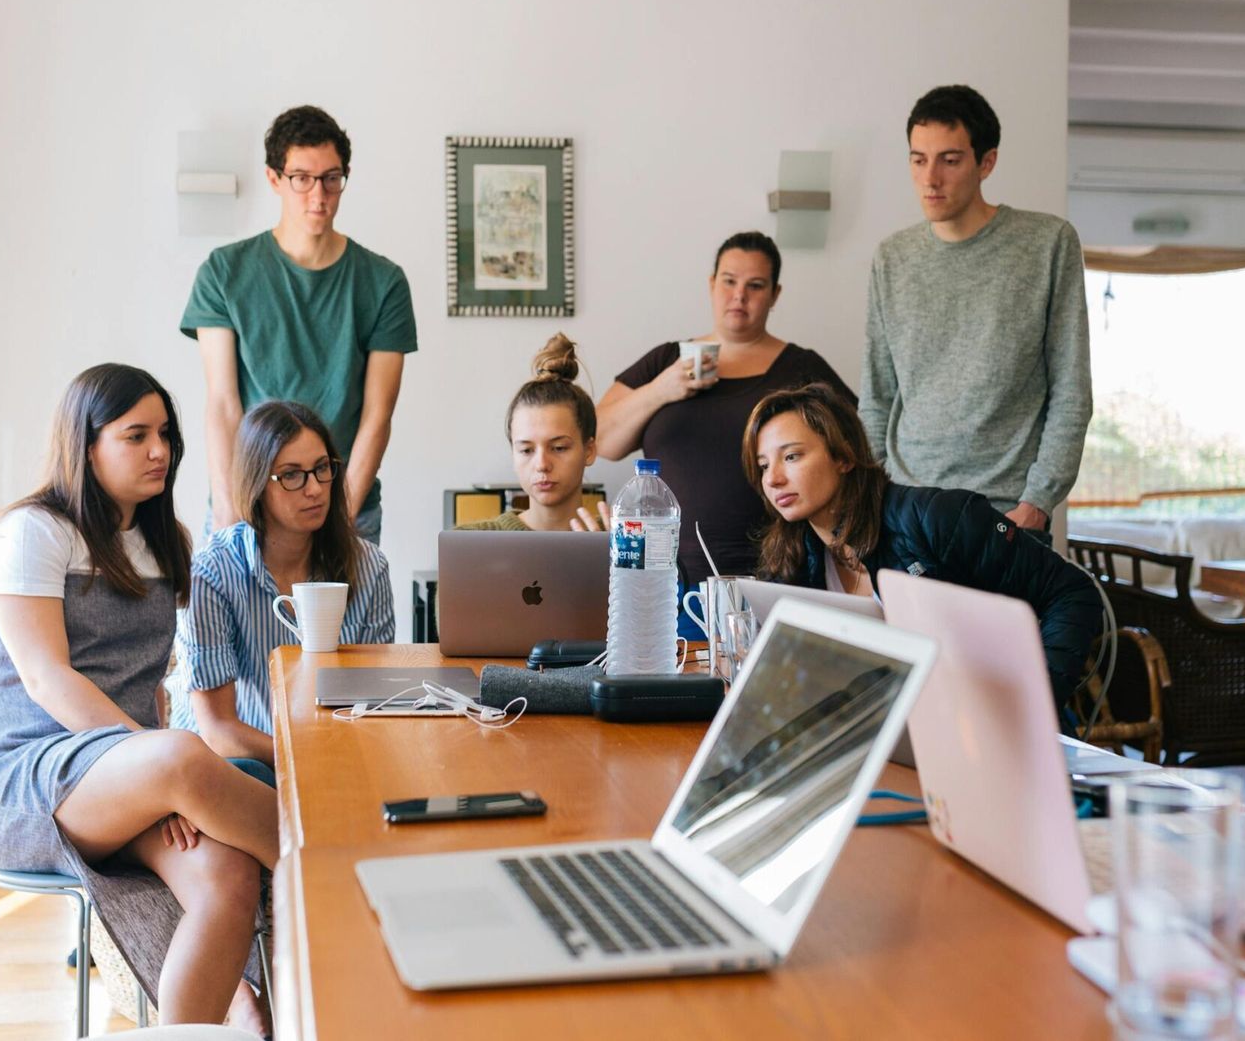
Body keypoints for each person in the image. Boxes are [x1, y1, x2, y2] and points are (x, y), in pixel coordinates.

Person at [0, 364, 273, 1030]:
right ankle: (344, 865)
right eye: (136, 435)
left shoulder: (165, 543)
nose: (160, 450)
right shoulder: (31, 532)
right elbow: (47, 678)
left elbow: (150, 681)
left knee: (229, 877)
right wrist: (159, 767)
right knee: (186, 755)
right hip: (22, 777)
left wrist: (157, 774)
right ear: (86, 442)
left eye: (165, 434)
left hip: (130, 775)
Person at [743, 383, 1103, 707]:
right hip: (892, 727)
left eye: (791, 457)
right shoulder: (791, 558)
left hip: (986, 721)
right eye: (763, 465)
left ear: (843, 456)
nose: (773, 479)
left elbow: (1072, 593)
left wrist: (1031, 701)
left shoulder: (938, 519)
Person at [182, 105, 418, 543]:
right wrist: (229, 513)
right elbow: (223, 404)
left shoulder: (384, 283)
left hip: (346, 505)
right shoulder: (224, 273)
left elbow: (377, 415)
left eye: (331, 178)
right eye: (302, 178)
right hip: (249, 505)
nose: (318, 195)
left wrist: (340, 519)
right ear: (274, 179)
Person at [862, 84, 1091, 535]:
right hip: (906, 508)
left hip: (1007, 513)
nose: (930, 178)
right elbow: (877, 396)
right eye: (918, 159)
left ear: (986, 162)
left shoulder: (1047, 243)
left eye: (950, 160)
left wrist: (1038, 502)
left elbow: (1071, 389)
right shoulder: (892, 257)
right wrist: (875, 495)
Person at [598, 231, 854, 585]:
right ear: (711, 284)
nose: (739, 296)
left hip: (777, 574)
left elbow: (854, 453)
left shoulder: (801, 367)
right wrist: (660, 390)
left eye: (756, 285)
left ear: (775, 294)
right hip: (663, 581)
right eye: (729, 281)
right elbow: (601, 440)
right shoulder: (666, 360)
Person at [172, 400, 395, 777]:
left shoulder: (370, 566)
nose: (314, 490)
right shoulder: (212, 572)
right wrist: (311, 758)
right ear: (257, 483)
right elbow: (218, 731)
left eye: (322, 469)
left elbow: (372, 703)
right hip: (232, 766)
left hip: (332, 757)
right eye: (292, 475)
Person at [461, 333, 609, 533]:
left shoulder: (623, 543)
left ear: (589, 450)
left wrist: (612, 563)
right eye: (526, 450)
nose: (541, 465)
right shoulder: (469, 542)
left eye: (558, 448)